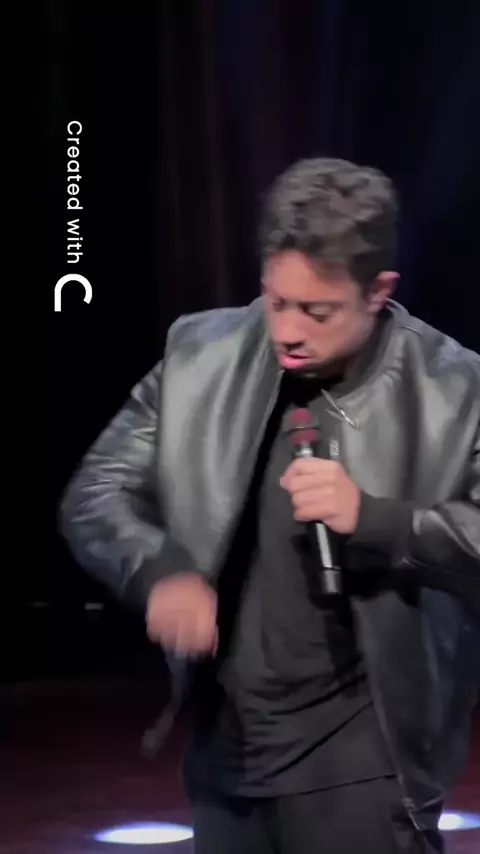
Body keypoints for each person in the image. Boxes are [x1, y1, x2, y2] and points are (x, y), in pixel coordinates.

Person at [59, 157, 479, 853]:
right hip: (229, 756)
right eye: (275, 301)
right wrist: (159, 571)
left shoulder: (454, 388)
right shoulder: (201, 355)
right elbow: (96, 491)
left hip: (368, 767)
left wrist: (378, 519)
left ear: (379, 291)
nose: (287, 330)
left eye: (317, 311)